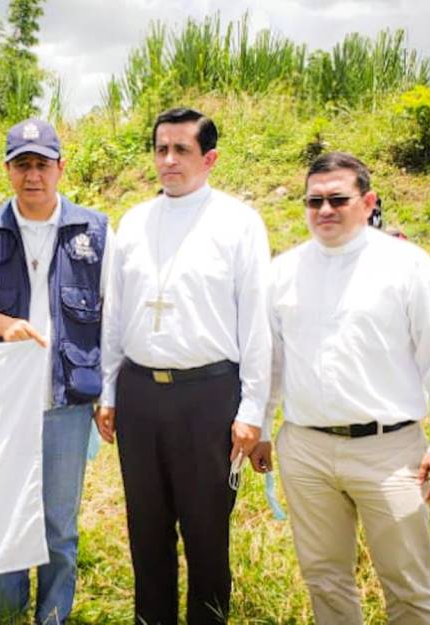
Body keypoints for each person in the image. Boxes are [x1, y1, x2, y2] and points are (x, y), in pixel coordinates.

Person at [254, 152, 430, 625]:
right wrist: (262, 425)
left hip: (390, 453)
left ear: (368, 200)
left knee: (409, 584)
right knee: (324, 579)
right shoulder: (283, 271)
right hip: (307, 449)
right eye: (315, 201)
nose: (325, 211)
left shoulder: (407, 265)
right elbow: (270, 361)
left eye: (338, 199)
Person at [94, 108, 271, 625]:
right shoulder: (133, 221)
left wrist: (253, 407)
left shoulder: (239, 222)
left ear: (209, 158)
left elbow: (257, 322)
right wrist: (109, 390)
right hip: (141, 393)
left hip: (209, 396)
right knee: (146, 528)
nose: (168, 160)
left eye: (182, 150)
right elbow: (115, 313)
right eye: (160, 149)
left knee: (206, 530)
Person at [0, 118, 111, 625]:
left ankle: (53, 616)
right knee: (4, 513)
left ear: (61, 168)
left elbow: (114, 314)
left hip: (67, 401)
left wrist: (107, 394)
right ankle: (5, 613)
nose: (33, 175)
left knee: (58, 523)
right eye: (22, 164)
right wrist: (1, 323)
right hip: (4, 401)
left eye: (42, 163)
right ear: (7, 171)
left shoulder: (95, 230)